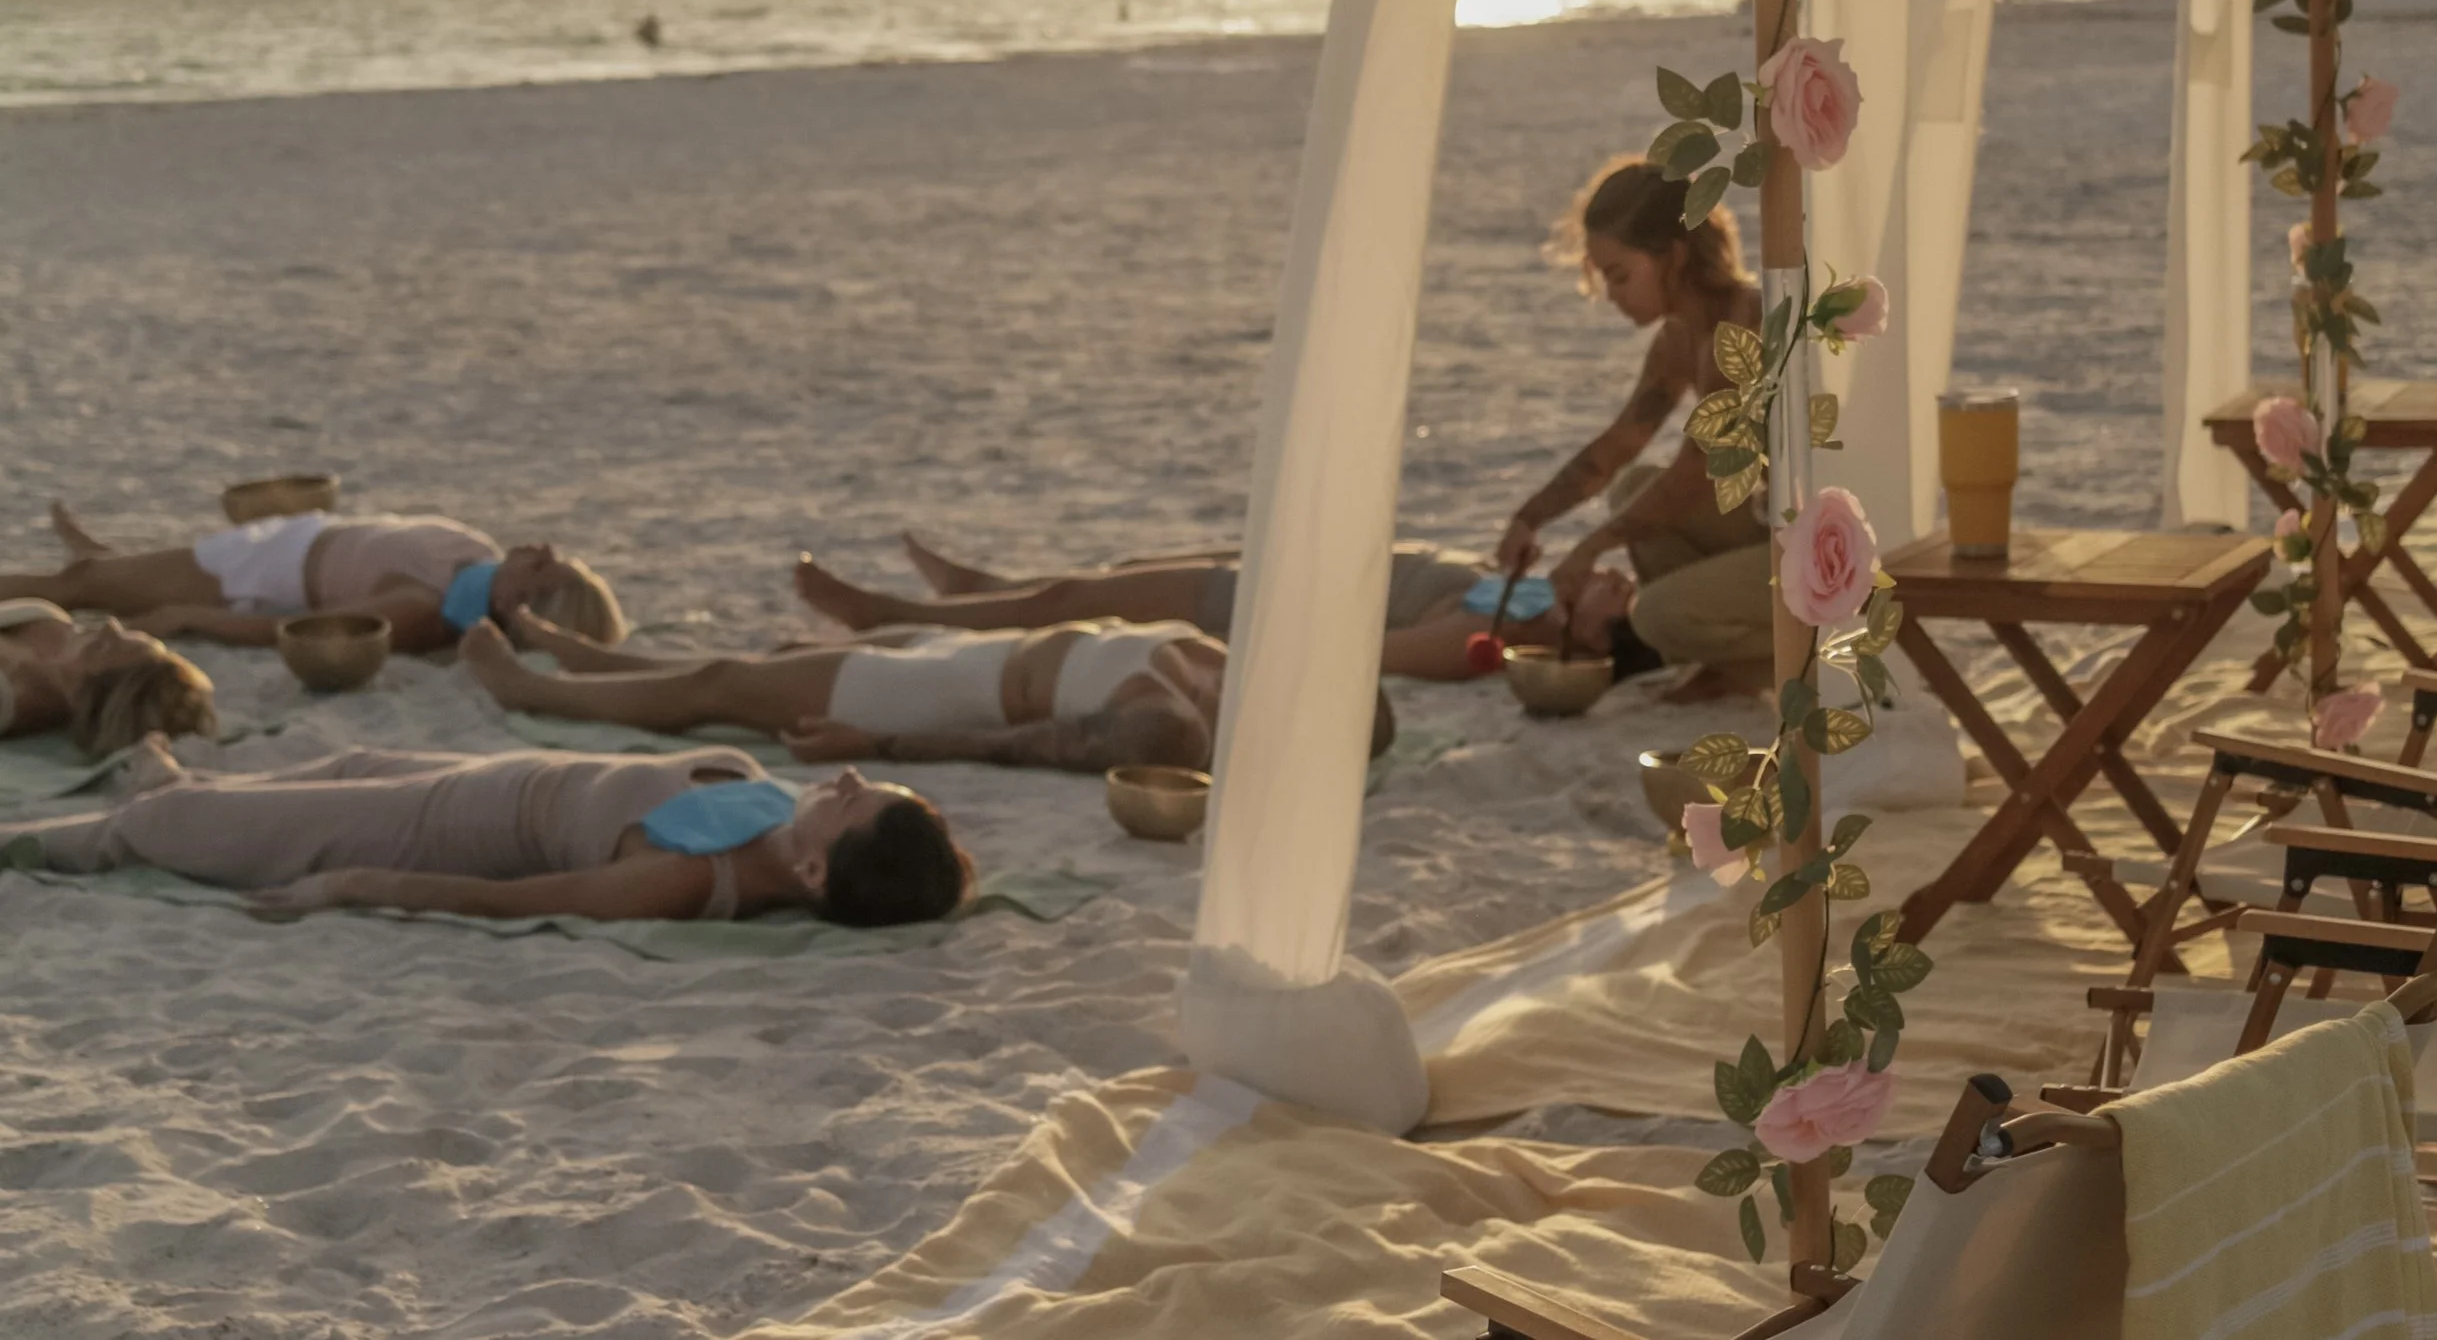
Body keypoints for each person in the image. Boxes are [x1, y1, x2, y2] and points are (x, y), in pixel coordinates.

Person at [0, 733, 970, 928]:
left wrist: (350, 885)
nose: (841, 779)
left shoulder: (683, 881)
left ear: (810, 869)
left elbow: (506, 898)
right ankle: (188, 782)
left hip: (433, 825)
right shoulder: (793, 825)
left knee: (165, 822)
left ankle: (50, 834)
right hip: (452, 767)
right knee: (324, 759)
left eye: (853, 797)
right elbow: (921, 869)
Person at [461, 601, 1395, 772]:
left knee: (720, 683)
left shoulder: (1173, 727)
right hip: (971, 652)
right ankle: (588, 662)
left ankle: (532, 689)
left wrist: (881, 746)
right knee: (747, 669)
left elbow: (1032, 746)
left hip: (939, 697)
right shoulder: (1224, 665)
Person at [1500, 160, 1774, 694]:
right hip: (1768, 527)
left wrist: (1591, 546)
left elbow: (1696, 474)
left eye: (1620, 275)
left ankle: (1780, 667)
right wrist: (1529, 519)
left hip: (1814, 544)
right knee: (1633, 485)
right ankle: (1725, 665)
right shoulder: (1679, 338)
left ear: (1672, 257)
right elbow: (1622, 443)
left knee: (1655, 616)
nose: (1611, 295)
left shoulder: (1744, 327)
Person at [795, 535, 1655, 685]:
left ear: (1592, 637)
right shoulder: (1526, 597)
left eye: (1620, 596)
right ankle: (979, 589)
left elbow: (1378, 653)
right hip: (1289, 571)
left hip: (1263, 604)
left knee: (1075, 605)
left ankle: (887, 611)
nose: (1617, 576)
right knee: (1116, 574)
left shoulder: (1503, 629)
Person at [2, 500, 626, 656]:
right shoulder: (470, 559)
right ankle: (116, 564)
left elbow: (295, 630)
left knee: (78, 583)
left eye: (547, 564)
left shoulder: (424, 607)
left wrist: (189, 618)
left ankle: (105, 567)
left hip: (252, 574)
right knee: (101, 573)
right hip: (287, 538)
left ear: (522, 600)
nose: (540, 546)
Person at [0, 598, 217, 758]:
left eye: (103, 648)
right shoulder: (50, 622)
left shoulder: (10, 698)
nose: (109, 625)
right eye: (130, 636)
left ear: (82, 695)